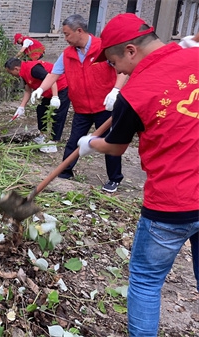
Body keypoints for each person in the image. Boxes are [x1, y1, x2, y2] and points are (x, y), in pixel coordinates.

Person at [75, 14, 198, 336]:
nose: (118, 72)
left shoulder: (136, 92)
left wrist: (89, 142)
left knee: (145, 280)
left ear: (130, 50)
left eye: (115, 63)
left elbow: (115, 148)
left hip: (172, 204)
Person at [31, 14, 128, 193]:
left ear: (79, 31)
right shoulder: (67, 54)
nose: (65, 38)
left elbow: (122, 69)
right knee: (74, 141)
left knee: (110, 142)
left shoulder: (103, 48)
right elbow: (54, 74)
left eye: (67, 34)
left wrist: (116, 90)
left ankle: (114, 179)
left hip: (104, 106)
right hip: (82, 107)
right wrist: (40, 89)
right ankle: (66, 172)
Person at [4, 57, 70, 153]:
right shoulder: (23, 73)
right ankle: (41, 135)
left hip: (61, 87)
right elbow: (27, 91)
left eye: (10, 73)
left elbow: (51, 79)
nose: (11, 75)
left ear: (16, 69)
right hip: (48, 91)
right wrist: (21, 107)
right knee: (41, 109)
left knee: (58, 114)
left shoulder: (34, 69)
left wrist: (55, 97)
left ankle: (54, 142)